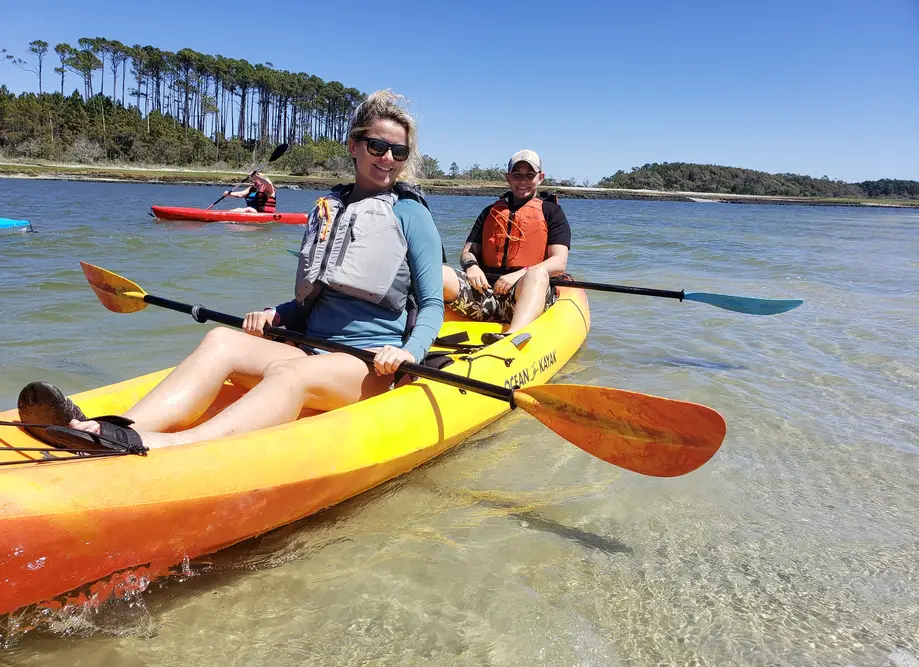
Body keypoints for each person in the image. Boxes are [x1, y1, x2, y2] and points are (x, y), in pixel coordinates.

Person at [18, 90, 444, 451]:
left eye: (398, 151)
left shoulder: (411, 215)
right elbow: (314, 297)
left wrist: (409, 352)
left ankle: (162, 446)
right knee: (222, 339)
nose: (388, 157)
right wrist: (276, 315)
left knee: (289, 374)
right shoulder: (329, 210)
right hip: (308, 346)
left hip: (368, 365)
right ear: (354, 146)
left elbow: (429, 305)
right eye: (377, 146)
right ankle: (116, 428)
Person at [442, 150, 571, 344]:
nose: (523, 181)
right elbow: (468, 252)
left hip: (522, 294)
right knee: (438, 271)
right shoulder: (490, 212)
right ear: (508, 177)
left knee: (537, 274)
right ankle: (418, 329)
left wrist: (519, 274)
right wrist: (472, 267)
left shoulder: (552, 212)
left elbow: (559, 263)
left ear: (541, 177)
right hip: (484, 294)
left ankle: (513, 335)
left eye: (530, 175)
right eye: (517, 175)